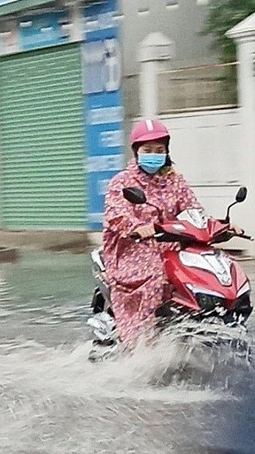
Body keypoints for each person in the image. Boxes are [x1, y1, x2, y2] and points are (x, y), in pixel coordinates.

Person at [102, 119, 241, 349]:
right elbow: (116, 213)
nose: (154, 155)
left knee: (210, 270)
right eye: (147, 150)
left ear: (166, 151)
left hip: (172, 246)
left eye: (159, 150)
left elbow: (193, 211)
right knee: (158, 275)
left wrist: (222, 226)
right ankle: (140, 339)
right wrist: (137, 227)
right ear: (136, 151)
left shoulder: (174, 181)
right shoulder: (123, 182)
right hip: (133, 249)